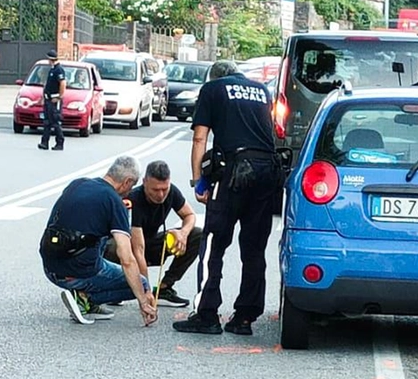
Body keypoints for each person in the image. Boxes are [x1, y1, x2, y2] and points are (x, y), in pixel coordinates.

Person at [172, 59, 279, 337]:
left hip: (234, 173)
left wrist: (199, 181)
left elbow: (200, 139)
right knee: (254, 248)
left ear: (215, 76)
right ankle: (245, 317)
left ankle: (206, 313)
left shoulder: (213, 89)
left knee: (213, 243)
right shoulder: (261, 91)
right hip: (267, 173)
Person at [39, 154, 159, 327]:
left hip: (50, 266)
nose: (130, 191)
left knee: (95, 239)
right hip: (76, 273)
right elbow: (127, 258)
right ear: (127, 182)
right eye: (132, 186)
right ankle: (85, 298)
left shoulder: (78, 184)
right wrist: (143, 300)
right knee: (142, 283)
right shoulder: (114, 202)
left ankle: (86, 299)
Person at [102, 160, 203, 308]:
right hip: (128, 249)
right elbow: (138, 250)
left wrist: (183, 233)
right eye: (155, 190)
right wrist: (146, 292)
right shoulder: (133, 199)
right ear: (144, 183)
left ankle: (164, 288)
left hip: (152, 243)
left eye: (164, 189)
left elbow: (190, 215)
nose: (161, 194)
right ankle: (115, 287)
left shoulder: (172, 192)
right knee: (113, 245)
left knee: (197, 234)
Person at [38, 49, 66, 151]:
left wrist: (59, 97)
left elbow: (63, 83)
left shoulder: (59, 70)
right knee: (47, 122)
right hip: (48, 99)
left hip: (54, 100)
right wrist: (43, 97)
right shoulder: (53, 69)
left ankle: (60, 143)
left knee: (55, 122)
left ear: (51, 59)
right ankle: (44, 142)